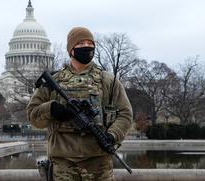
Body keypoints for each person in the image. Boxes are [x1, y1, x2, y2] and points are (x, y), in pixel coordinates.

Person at [27, 27, 133, 181]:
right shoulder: (54, 81)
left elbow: (125, 114)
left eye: (90, 44)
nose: (87, 47)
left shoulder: (108, 80)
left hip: (99, 163)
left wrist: (112, 135)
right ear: (71, 49)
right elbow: (33, 115)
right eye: (81, 43)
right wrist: (51, 108)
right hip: (63, 164)